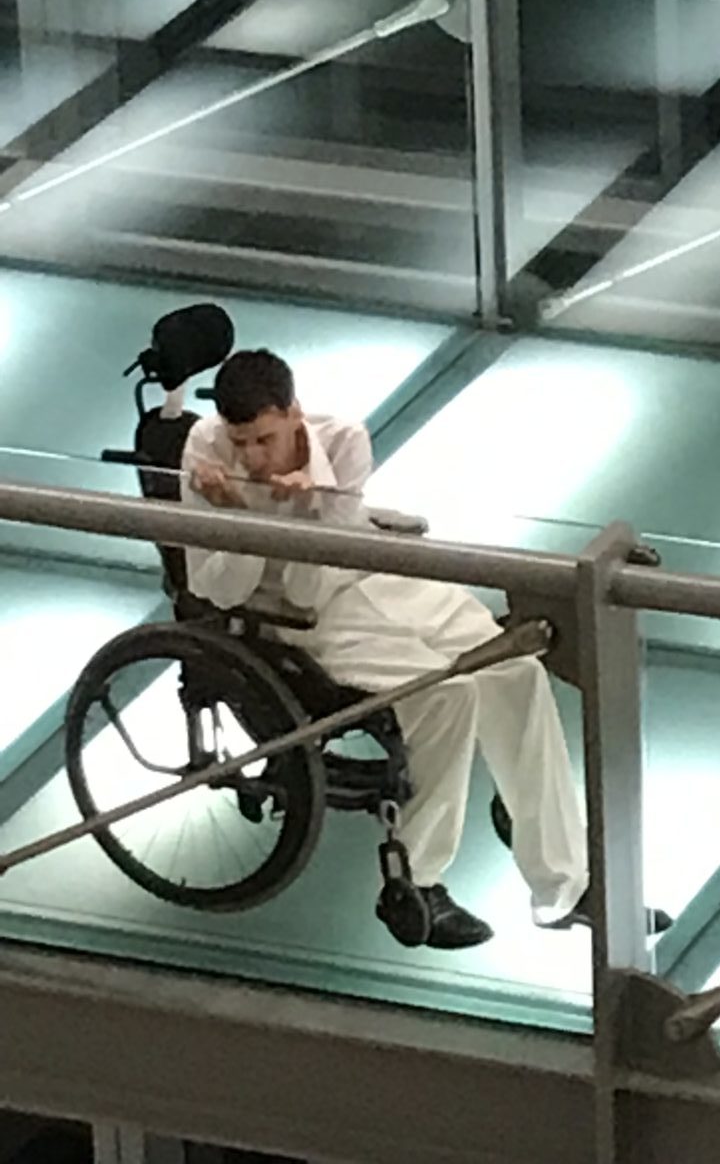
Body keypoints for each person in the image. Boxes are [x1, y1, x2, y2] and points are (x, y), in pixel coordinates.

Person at [181, 348, 590, 952]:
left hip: (373, 576)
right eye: (240, 443)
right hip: (294, 612)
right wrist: (246, 518)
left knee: (515, 667)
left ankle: (562, 880)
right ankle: (418, 880)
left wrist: (313, 502)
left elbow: (348, 544)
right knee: (446, 694)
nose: (251, 457)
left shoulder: (343, 440)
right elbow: (216, 586)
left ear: (294, 413)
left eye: (264, 440)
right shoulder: (203, 451)